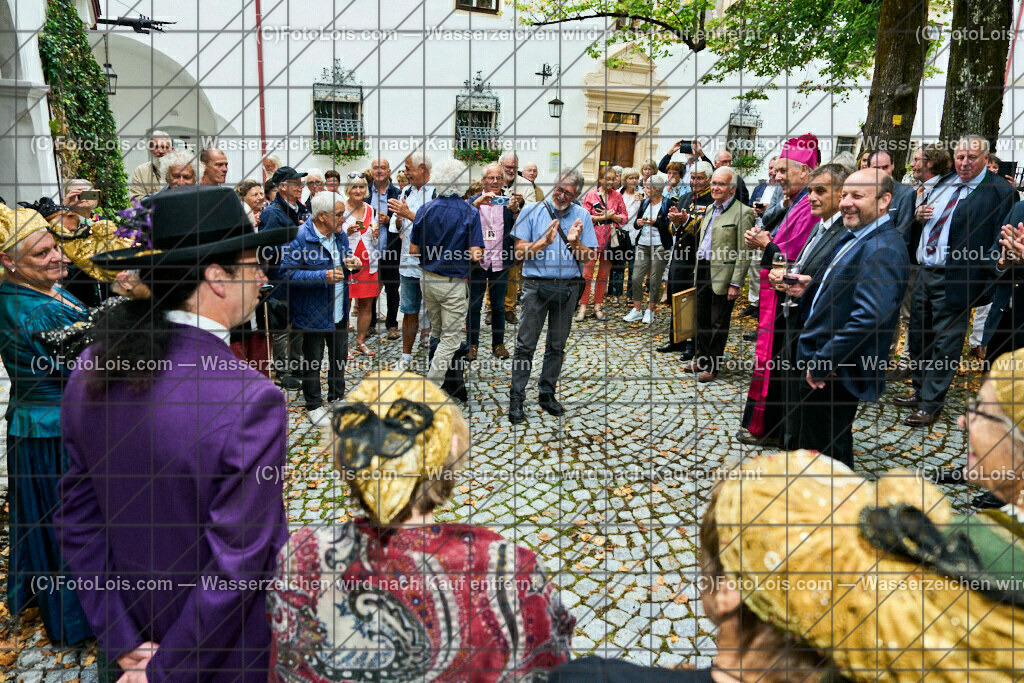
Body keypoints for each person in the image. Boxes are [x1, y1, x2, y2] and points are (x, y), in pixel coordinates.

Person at [55, 185, 295, 679]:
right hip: (218, 654)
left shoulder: (92, 364)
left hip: (132, 633)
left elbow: (76, 519)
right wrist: (162, 671)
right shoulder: (251, 400)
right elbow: (241, 563)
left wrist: (121, 639)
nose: (264, 275)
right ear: (217, 277)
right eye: (253, 263)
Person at [268, 371, 575, 681]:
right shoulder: (510, 573)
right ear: (453, 447)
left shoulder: (301, 558)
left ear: (345, 457)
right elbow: (552, 668)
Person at [0, 205, 92, 646]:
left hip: (46, 422)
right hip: (50, 430)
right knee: (70, 525)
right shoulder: (27, 307)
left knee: (55, 520)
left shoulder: (45, 290)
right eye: (42, 253)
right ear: (9, 262)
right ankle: (77, 618)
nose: (57, 257)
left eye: (56, 246)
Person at [786, 169, 909, 467]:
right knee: (824, 446)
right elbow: (845, 290)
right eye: (843, 195)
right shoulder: (857, 236)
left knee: (823, 455)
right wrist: (812, 288)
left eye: (857, 196)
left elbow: (869, 318)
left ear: (884, 201)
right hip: (820, 363)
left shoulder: (883, 247)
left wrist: (823, 362)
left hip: (832, 373)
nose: (845, 203)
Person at [899, 135, 1017, 426]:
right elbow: (925, 219)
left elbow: (1002, 239)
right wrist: (919, 216)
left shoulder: (999, 191)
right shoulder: (943, 183)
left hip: (960, 279)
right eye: (960, 157)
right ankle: (919, 390)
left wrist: (989, 277)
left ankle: (931, 403)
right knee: (919, 336)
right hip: (926, 271)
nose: (964, 163)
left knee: (946, 343)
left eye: (972, 158)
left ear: (986, 159)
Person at [737, 163, 850, 447]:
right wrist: (785, 276)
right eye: (811, 191)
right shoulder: (820, 226)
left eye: (820, 191)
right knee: (790, 391)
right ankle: (789, 443)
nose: (811, 197)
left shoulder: (843, 233)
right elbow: (802, 265)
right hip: (794, 317)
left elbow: (830, 285)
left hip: (816, 329)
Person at [741, 134, 821, 442]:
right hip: (775, 296)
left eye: (783, 171)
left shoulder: (807, 206)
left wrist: (766, 244)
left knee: (776, 365)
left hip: (786, 300)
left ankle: (770, 428)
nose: (776, 177)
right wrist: (762, 240)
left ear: (804, 172)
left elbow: (794, 260)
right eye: (776, 172)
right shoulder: (794, 202)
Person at [508, 170, 597, 424]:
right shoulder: (532, 211)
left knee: (556, 346)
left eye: (567, 192)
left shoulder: (583, 216)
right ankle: (517, 397)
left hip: (568, 288)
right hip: (536, 287)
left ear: (576, 194)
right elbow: (519, 253)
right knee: (525, 345)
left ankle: (547, 393)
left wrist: (574, 242)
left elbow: (587, 257)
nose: (560, 195)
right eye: (558, 189)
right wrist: (543, 243)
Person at [283, 191, 362, 426]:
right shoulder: (298, 238)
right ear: (321, 217)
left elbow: (346, 260)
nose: (343, 219)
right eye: (339, 214)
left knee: (339, 357)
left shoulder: (339, 236)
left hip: (338, 308)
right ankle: (314, 405)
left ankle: (337, 397)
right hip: (312, 312)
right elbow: (286, 274)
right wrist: (321, 276)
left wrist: (353, 264)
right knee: (313, 360)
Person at [410, 157, 483, 389]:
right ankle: (432, 388)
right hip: (452, 282)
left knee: (438, 331)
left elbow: (413, 250)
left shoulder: (425, 208)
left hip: (427, 279)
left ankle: (450, 381)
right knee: (450, 339)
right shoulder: (469, 212)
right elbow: (475, 255)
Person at [888, 143, 954, 381]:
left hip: (924, 266)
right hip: (911, 261)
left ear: (931, 163)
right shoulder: (918, 190)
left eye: (917, 160)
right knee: (905, 314)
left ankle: (908, 363)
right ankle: (903, 362)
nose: (912, 164)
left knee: (911, 316)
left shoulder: (947, 189)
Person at [682, 166, 753, 382]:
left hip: (724, 274)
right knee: (701, 317)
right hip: (703, 268)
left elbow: (744, 251)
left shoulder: (743, 212)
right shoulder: (711, 209)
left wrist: (736, 283)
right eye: (714, 183)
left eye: (721, 184)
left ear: (732, 189)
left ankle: (712, 366)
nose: (715, 187)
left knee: (718, 322)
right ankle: (702, 358)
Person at [389, 150, 436, 371]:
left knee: (436, 312)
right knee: (409, 310)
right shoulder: (406, 191)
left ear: (423, 169)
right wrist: (399, 220)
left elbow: (439, 226)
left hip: (432, 265)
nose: (405, 172)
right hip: (407, 264)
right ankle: (406, 357)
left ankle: (437, 358)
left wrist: (408, 214)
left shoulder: (438, 192)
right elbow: (395, 227)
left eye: (408, 168)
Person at [468, 162, 516, 360]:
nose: (495, 182)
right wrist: (479, 202)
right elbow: (464, 216)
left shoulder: (508, 201)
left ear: (503, 181)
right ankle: (472, 345)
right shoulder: (473, 200)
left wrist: (515, 210)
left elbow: (515, 229)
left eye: (498, 178)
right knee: (474, 304)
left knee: (498, 305)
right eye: (491, 178)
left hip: (500, 259)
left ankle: (498, 344)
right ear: (483, 181)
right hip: (478, 260)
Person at [660, 161, 713, 337]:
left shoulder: (711, 200)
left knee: (694, 300)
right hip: (680, 255)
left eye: (699, 178)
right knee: (677, 296)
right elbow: (672, 229)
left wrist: (685, 222)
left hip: (698, 257)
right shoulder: (684, 197)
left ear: (709, 179)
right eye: (692, 177)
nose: (695, 181)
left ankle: (692, 342)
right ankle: (677, 338)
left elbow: (704, 229)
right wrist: (675, 223)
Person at [578, 167, 626, 321]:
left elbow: (625, 218)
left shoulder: (617, 196)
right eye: (608, 178)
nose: (611, 181)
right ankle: (583, 306)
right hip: (591, 239)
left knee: (603, 275)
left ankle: (598, 305)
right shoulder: (591, 195)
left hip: (610, 241)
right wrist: (603, 217)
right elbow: (585, 217)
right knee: (587, 274)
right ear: (601, 179)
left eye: (614, 179)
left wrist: (613, 216)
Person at [625, 174, 673, 327]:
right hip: (643, 243)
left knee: (654, 279)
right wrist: (639, 223)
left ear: (657, 190)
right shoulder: (645, 203)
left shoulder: (667, 203)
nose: (644, 190)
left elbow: (670, 226)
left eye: (647, 187)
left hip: (660, 244)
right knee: (636, 278)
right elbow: (636, 225)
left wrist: (656, 222)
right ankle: (637, 309)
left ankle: (650, 310)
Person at [342, 173, 381, 357]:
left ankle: (361, 342)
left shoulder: (370, 209)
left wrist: (375, 234)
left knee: (366, 304)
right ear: (348, 189)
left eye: (362, 187)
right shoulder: (341, 209)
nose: (358, 190)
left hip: (367, 262)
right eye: (355, 187)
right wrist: (346, 232)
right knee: (345, 304)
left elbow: (374, 240)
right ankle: (343, 346)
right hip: (348, 263)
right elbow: (334, 236)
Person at [367, 158, 402, 339]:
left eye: (383, 168)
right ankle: (370, 323)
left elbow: (402, 220)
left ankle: (392, 324)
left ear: (389, 171)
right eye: (375, 167)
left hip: (390, 248)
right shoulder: (363, 191)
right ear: (371, 171)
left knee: (391, 288)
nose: (379, 170)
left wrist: (389, 221)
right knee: (370, 288)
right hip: (369, 249)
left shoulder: (397, 193)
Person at [609, 167, 644, 302]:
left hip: (636, 233)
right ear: (625, 180)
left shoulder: (642, 194)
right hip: (619, 233)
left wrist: (643, 201)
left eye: (635, 178)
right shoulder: (617, 194)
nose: (633, 181)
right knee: (619, 265)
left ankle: (630, 295)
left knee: (634, 267)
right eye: (630, 178)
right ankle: (616, 295)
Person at [866, 150, 915, 235]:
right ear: (868, 168)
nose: (882, 172)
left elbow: (902, 234)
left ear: (893, 166)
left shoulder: (906, 194)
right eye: (876, 168)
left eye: (885, 167)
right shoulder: (862, 191)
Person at [129, 130, 172, 199]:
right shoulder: (140, 171)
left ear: (171, 149)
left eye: (165, 147)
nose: (161, 151)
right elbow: (135, 199)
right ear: (150, 148)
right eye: (156, 147)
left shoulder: (179, 170)